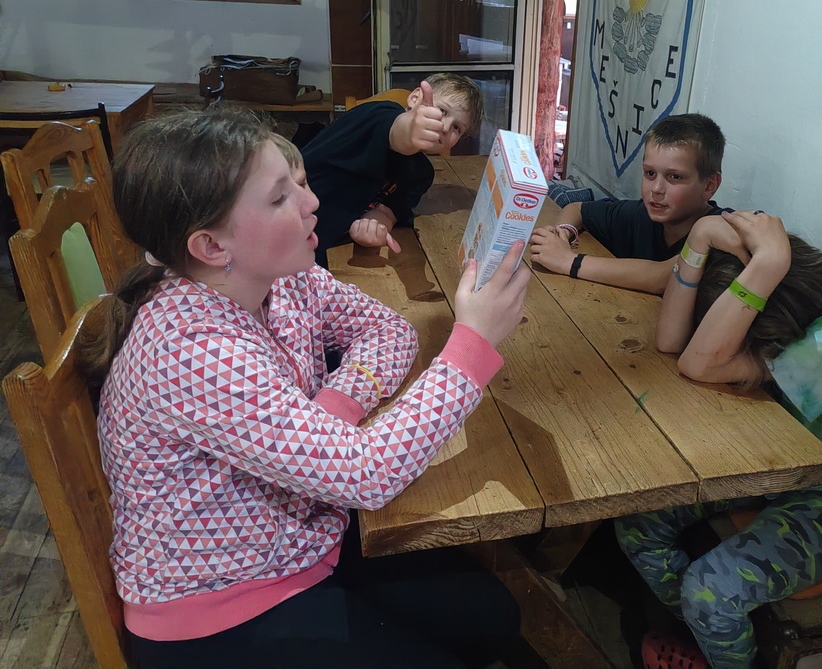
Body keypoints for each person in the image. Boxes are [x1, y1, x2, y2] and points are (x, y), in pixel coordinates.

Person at [84, 108, 531, 669]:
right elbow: (366, 473)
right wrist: (472, 344)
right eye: (280, 197)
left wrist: (331, 410)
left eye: (298, 182)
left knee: (493, 620)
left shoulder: (282, 275)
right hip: (223, 605)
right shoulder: (189, 348)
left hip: (305, 533)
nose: (311, 201)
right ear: (211, 247)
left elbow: (388, 331)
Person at [615, 211, 822, 669]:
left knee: (709, 591)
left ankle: (714, 632)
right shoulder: (792, 276)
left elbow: (698, 363)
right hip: (781, 463)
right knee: (640, 519)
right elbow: (671, 341)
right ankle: (709, 636)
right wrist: (701, 235)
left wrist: (771, 261)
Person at [529, 113, 730, 294]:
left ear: (709, 185)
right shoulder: (640, 214)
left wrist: (568, 261)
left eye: (674, 177)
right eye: (650, 173)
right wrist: (563, 233)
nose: (656, 189)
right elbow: (577, 209)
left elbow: (668, 276)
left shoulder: (722, 232)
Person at [302, 73, 484, 267]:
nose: (446, 127)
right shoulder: (376, 114)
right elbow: (398, 130)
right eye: (442, 111)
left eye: (457, 127)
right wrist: (411, 129)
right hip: (289, 232)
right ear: (415, 98)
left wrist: (374, 225)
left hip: (324, 257)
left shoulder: (420, 174)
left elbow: (388, 211)